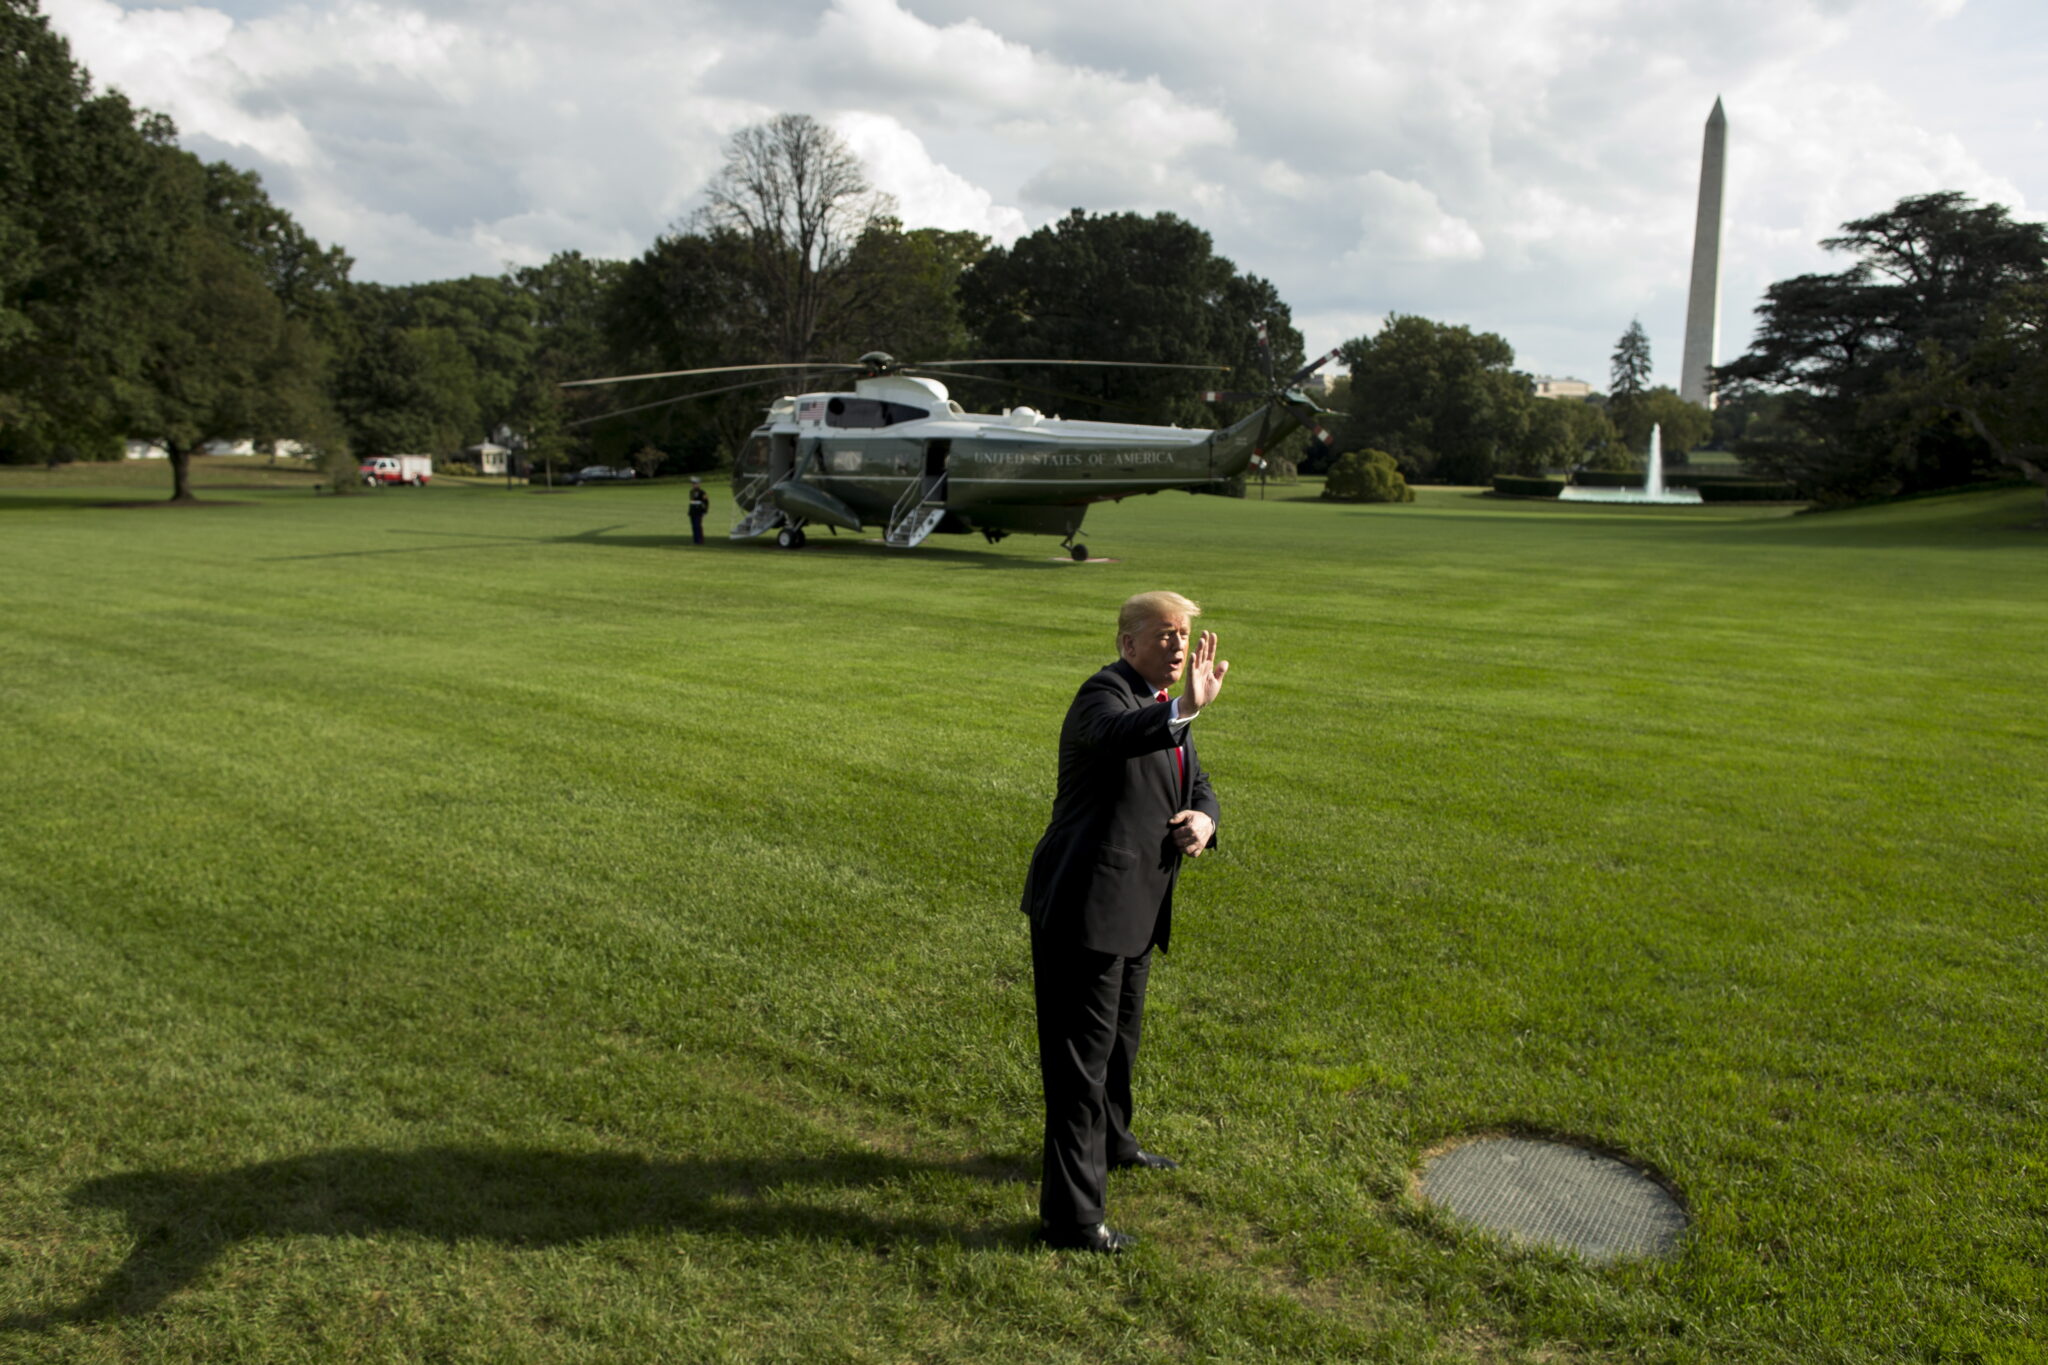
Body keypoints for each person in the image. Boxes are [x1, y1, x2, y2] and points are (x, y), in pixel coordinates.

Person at [1020, 590, 1227, 1253]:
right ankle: (1073, 1220)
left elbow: (1193, 778)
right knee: (1079, 1067)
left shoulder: (1161, 709)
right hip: (1085, 908)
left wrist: (1206, 818)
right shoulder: (1104, 697)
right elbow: (1123, 736)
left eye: (1184, 634)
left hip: (1135, 908)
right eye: (1163, 635)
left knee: (1117, 1047)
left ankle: (1113, 1144)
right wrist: (1186, 707)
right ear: (1126, 643)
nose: (1177, 646)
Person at [687, 477, 710, 545]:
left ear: (699, 484)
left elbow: (706, 502)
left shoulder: (702, 492)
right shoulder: (691, 491)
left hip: (699, 511)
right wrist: (690, 511)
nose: (694, 485)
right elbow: (692, 502)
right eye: (693, 484)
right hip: (693, 511)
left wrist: (705, 511)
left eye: (695, 484)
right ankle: (695, 540)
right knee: (693, 526)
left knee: (698, 526)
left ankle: (700, 540)